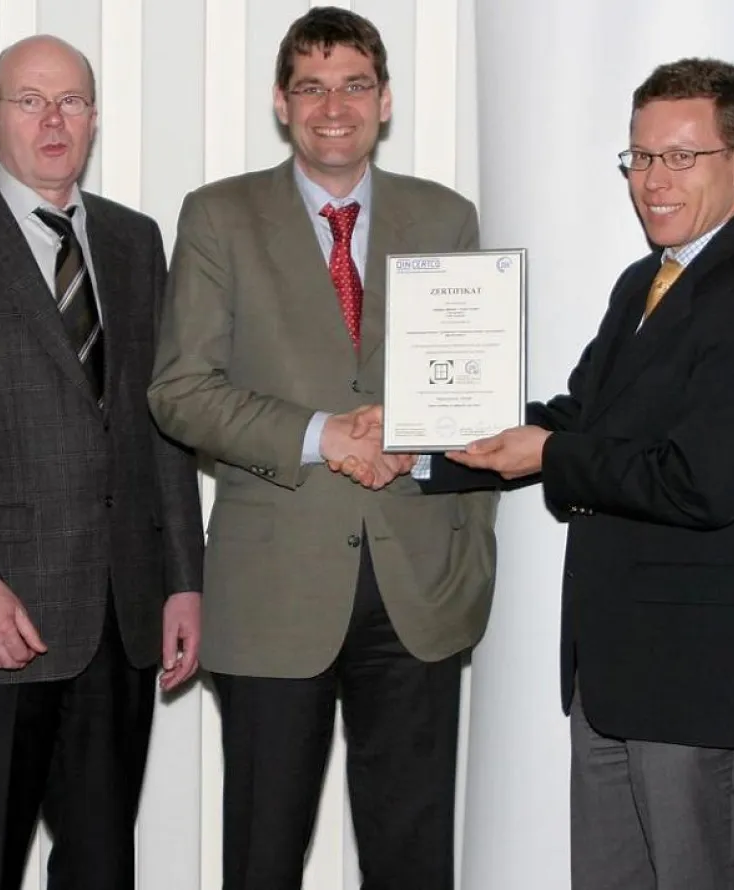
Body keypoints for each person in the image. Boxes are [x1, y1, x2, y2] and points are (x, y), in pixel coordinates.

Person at [146, 8, 498, 889]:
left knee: (412, 859)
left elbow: (472, 398)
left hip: (417, 588)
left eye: (353, 86)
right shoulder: (218, 217)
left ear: (384, 102)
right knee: (264, 856)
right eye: (311, 86)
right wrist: (322, 436)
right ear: (281, 101)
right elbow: (179, 390)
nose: (332, 106)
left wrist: (410, 451)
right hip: (274, 593)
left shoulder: (447, 218)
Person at [442, 58, 734, 889]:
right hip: (615, 671)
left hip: (700, 678)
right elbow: (579, 421)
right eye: (640, 158)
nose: (653, 181)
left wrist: (552, 454)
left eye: (681, 157)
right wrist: (436, 435)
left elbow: (699, 483)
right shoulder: (642, 282)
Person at [0, 34, 204, 890]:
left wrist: (182, 580)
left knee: (101, 865)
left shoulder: (134, 241)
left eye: (72, 102)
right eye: (29, 101)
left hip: (120, 616)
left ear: (94, 119)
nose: (52, 121)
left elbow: (157, 422)